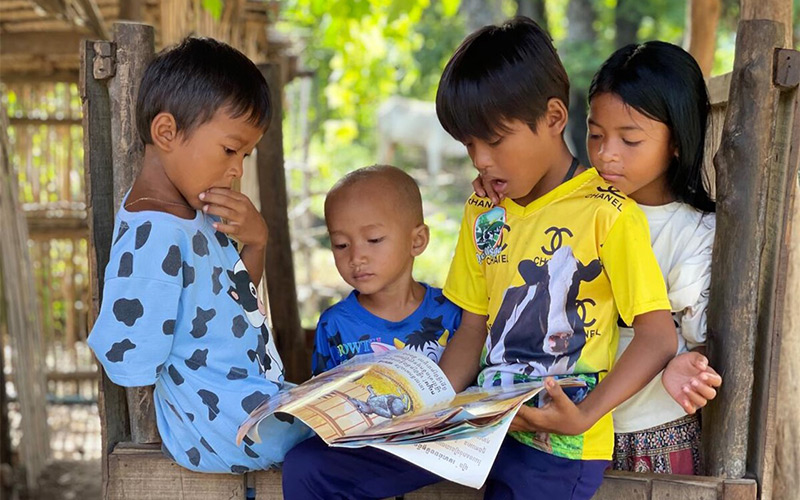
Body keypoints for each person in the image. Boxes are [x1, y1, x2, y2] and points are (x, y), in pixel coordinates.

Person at [284, 17, 695, 500]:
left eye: (494, 141)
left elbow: (657, 335)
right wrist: (420, 409)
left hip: (555, 444)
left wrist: (584, 415)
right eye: (468, 144)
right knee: (311, 467)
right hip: (477, 425)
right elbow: (473, 328)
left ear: (554, 118)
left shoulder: (608, 213)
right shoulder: (483, 210)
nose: (479, 159)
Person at [87, 37, 311, 474]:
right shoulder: (155, 231)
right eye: (231, 149)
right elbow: (125, 355)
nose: (237, 169)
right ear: (166, 132)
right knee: (349, 434)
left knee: (346, 416)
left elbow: (240, 306)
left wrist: (257, 242)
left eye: (246, 155)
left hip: (246, 403)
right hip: (218, 426)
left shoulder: (196, 214)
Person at [586, 41, 722, 474]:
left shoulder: (692, 231)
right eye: (595, 135)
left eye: (629, 140)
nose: (607, 153)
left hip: (652, 435)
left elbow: (701, 336)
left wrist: (683, 360)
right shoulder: (578, 206)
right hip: (573, 435)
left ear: (677, 143)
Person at [311, 165, 461, 375]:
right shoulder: (335, 325)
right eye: (341, 244)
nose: (356, 258)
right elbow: (321, 399)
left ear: (417, 241)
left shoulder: (452, 314)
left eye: (374, 239)